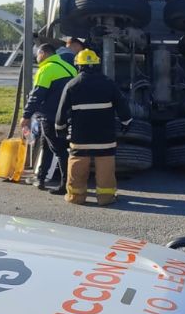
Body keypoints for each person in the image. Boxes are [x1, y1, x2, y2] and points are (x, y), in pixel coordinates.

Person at [54, 49, 132, 206]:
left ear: (79, 66)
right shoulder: (108, 83)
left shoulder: (72, 85)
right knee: (105, 170)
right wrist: (126, 122)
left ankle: (76, 197)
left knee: (77, 167)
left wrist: (60, 128)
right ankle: (106, 198)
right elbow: (122, 106)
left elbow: (61, 111)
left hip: (80, 137)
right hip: (105, 137)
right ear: (97, 65)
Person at [20, 43, 77, 194]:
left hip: (50, 117)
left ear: (43, 53)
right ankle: (41, 178)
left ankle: (66, 186)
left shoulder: (46, 69)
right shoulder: (70, 68)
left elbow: (37, 95)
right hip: (68, 116)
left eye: (37, 54)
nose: (37, 57)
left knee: (59, 150)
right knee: (48, 146)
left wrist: (26, 116)